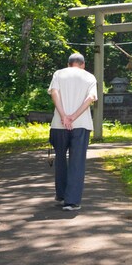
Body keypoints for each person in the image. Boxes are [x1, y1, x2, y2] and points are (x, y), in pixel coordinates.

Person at [48, 52, 98, 211]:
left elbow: (54, 93)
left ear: (68, 64)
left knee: (60, 159)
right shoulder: (89, 77)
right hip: (81, 124)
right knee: (77, 161)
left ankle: (61, 194)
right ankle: (72, 201)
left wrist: (63, 116)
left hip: (58, 124)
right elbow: (90, 98)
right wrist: (73, 117)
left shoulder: (58, 74)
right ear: (83, 64)